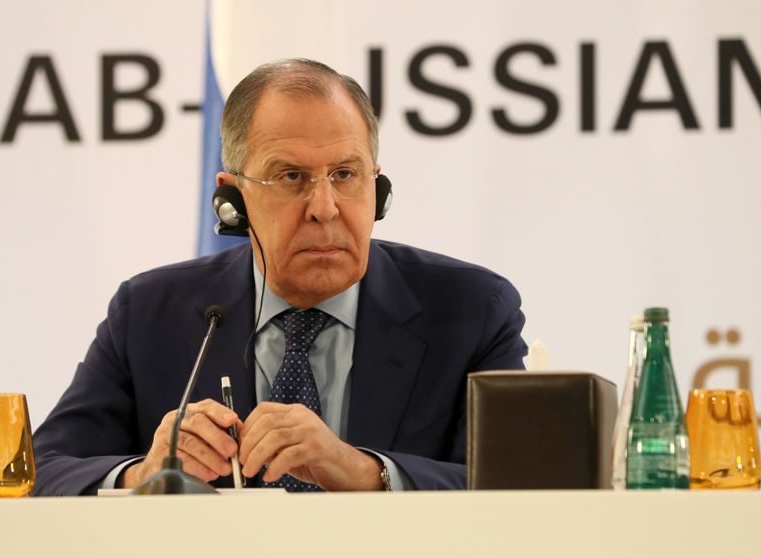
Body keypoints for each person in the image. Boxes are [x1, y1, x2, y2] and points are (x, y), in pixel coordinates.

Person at [32, 59, 527, 495]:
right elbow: (42, 472)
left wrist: (364, 471)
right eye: (291, 177)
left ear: (379, 187)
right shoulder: (148, 312)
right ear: (233, 200)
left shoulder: (471, 310)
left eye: (346, 175)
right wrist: (143, 476)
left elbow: (522, 481)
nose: (325, 208)